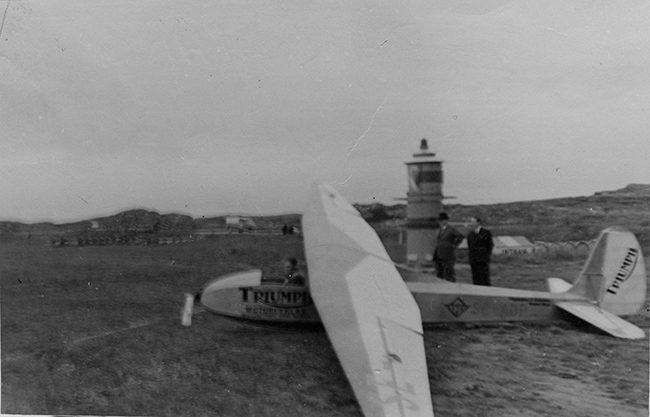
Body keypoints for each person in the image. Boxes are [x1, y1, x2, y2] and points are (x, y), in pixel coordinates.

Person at [433, 212, 465, 282]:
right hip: (439, 254)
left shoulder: (451, 229)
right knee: (439, 273)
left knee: (449, 272)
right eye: (439, 220)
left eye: (441, 220)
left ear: (446, 220)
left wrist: (453, 245)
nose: (440, 222)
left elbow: (460, 236)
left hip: (448, 254)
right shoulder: (440, 230)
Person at [466, 216, 494, 286]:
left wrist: (485, 256)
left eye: (473, 222)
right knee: (476, 279)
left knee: (484, 278)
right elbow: (470, 246)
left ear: (478, 223)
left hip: (482, 260)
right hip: (473, 260)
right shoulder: (470, 234)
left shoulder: (486, 233)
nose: (471, 224)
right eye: (471, 222)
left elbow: (490, 245)